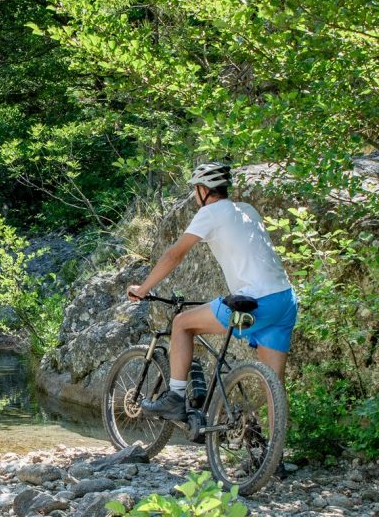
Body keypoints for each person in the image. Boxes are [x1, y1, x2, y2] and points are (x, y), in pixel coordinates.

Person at [126, 162, 297, 423]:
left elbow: (175, 254)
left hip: (257, 300)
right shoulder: (247, 210)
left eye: (195, 191)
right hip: (284, 300)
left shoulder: (211, 213)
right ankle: (273, 459)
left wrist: (143, 289)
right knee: (273, 385)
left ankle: (174, 398)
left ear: (202, 190)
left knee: (182, 323)